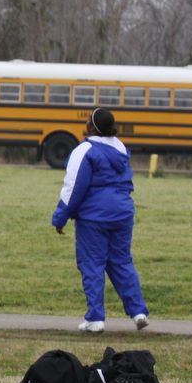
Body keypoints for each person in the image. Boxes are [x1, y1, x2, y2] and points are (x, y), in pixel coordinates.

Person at [52, 107, 150, 334]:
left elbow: (73, 188)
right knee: (122, 262)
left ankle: (95, 319)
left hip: (94, 216)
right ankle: (138, 312)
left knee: (92, 264)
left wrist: (60, 217)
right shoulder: (121, 147)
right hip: (123, 212)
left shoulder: (84, 149)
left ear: (91, 126)